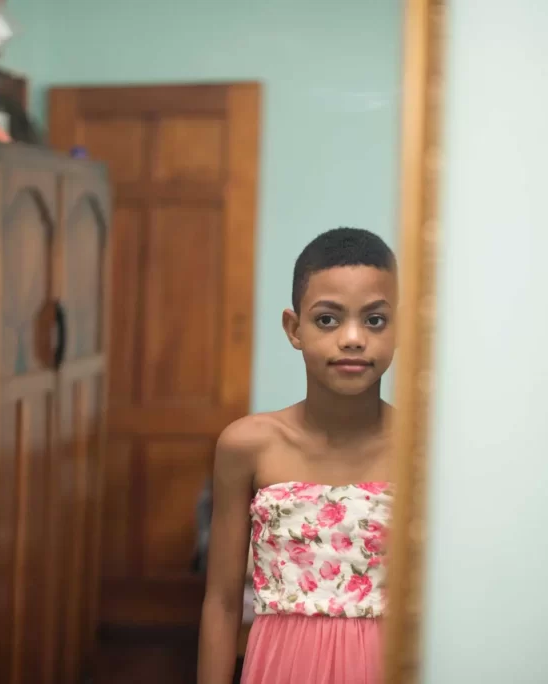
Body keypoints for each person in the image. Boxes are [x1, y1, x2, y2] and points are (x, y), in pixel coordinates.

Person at [197, 227, 397, 684]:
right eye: (328, 319)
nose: (352, 338)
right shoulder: (248, 445)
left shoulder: (423, 450)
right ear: (294, 328)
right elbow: (223, 602)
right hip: (281, 667)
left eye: (374, 320)